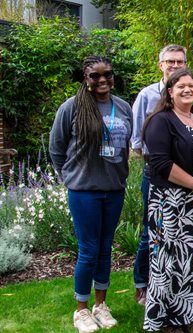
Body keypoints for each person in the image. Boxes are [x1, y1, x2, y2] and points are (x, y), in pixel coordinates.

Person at [49, 56, 132, 333]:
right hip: (84, 191)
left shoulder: (122, 107)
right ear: (85, 78)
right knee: (88, 250)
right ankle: (81, 310)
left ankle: (100, 305)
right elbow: (57, 148)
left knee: (105, 248)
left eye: (106, 74)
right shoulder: (71, 108)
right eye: (94, 76)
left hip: (114, 189)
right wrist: (70, 178)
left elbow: (126, 146)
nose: (102, 80)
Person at [142, 68, 193, 332]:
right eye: (181, 87)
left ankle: (188, 317)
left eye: (191, 86)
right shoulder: (161, 120)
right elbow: (161, 163)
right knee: (170, 261)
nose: (187, 90)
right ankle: (166, 322)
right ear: (170, 92)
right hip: (172, 202)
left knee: (192, 259)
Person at [131, 44, 193, 305]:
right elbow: (137, 141)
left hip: (183, 176)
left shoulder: (191, 94)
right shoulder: (146, 96)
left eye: (180, 62)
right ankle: (142, 284)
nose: (174, 66)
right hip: (157, 174)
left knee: (178, 235)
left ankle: (176, 287)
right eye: (170, 61)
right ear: (161, 64)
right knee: (152, 232)